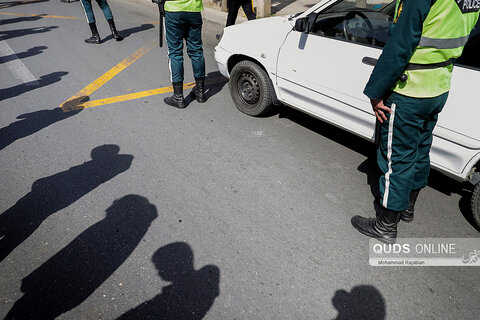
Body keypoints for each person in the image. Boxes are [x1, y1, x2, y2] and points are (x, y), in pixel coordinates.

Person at [351, 0, 479, 243]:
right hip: (439, 86)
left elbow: (400, 44)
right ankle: (407, 208)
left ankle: (385, 225)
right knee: (421, 149)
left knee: (397, 158)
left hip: (410, 89)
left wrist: (376, 92)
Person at [162, 0, 206, 109]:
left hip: (174, 10)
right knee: (197, 50)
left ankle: (178, 96)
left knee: (175, 52)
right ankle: (200, 92)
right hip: (194, 10)